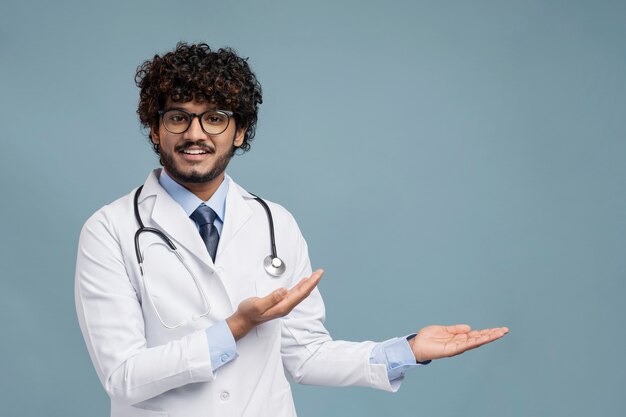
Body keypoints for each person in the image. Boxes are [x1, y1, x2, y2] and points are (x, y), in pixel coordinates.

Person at [75, 42, 508, 417]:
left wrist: (406, 351)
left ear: (240, 132)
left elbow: (306, 355)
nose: (195, 134)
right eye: (178, 118)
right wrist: (234, 328)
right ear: (154, 128)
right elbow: (123, 376)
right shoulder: (110, 230)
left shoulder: (276, 223)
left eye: (215, 118)